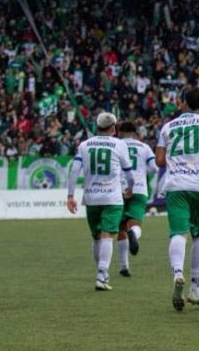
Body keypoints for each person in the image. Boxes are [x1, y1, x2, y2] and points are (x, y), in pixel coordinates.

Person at [155, 87, 199, 311]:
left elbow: (160, 160)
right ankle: (195, 287)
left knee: (178, 233)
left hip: (177, 185)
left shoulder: (168, 126)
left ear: (181, 103)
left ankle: (177, 273)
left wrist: (177, 159)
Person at [66, 112, 135, 291]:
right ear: (113, 128)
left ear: (97, 127)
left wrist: (70, 196)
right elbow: (128, 172)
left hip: (91, 197)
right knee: (107, 235)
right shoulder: (119, 144)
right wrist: (131, 187)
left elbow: (74, 171)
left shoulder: (84, 145)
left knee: (97, 237)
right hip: (112, 197)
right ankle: (102, 274)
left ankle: (101, 272)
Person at [116, 121, 158, 277]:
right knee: (135, 223)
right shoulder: (144, 147)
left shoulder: (116, 145)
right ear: (135, 133)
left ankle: (124, 266)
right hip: (139, 188)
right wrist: (140, 170)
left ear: (120, 132)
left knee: (120, 227)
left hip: (119, 189)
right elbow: (154, 168)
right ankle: (134, 232)